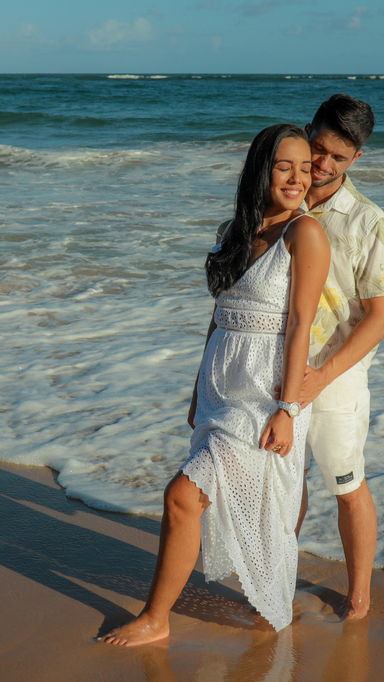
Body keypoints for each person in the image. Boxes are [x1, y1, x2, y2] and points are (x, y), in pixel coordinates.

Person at [100, 124, 330, 646]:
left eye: (303, 167)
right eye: (282, 166)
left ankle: (156, 620)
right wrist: (195, 390)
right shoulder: (234, 229)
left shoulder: (306, 234)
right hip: (221, 385)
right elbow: (220, 314)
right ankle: (262, 596)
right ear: (261, 169)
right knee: (222, 500)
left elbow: (300, 326)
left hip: (266, 390)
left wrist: (288, 408)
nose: (296, 178)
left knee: (183, 496)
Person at [293, 94, 384, 621]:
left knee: (346, 485)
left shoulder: (368, 222)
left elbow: (380, 318)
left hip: (335, 375)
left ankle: (358, 598)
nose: (323, 165)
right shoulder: (278, 200)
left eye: (338, 157)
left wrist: (322, 376)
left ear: (356, 159)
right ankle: (274, 579)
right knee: (281, 485)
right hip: (273, 367)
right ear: (306, 131)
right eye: (318, 149)